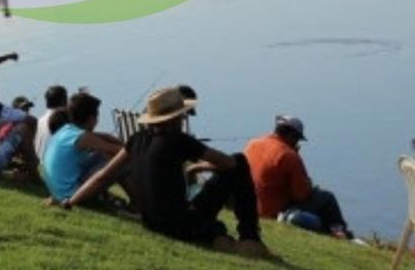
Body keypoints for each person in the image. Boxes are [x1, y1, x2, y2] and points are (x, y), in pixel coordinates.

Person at [59, 87, 268, 258]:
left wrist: (70, 201)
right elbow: (229, 164)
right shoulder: (178, 140)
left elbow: (102, 176)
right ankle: (250, 237)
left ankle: (219, 235)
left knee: (209, 210)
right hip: (181, 225)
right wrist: (206, 167)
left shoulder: (136, 140)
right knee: (240, 160)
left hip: (151, 222)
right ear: (174, 118)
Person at [244, 116, 352, 238]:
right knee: (327, 198)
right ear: (291, 135)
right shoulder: (289, 155)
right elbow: (301, 195)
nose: (297, 143)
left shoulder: (252, 144)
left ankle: (333, 231)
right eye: (297, 139)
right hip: (273, 212)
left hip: (251, 207)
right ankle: (340, 233)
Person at [41, 91, 126, 205]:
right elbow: (123, 152)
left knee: (105, 154)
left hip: (59, 192)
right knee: (123, 161)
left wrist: (116, 141)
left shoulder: (67, 130)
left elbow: (105, 138)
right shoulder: (82, 137)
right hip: (71, 195)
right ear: (92, 118)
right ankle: (138, 203)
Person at [34, 84, 69, 161]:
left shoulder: (39, 121)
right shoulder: (62, 120)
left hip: (40, 167)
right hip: (54, 168)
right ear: (64, 100)